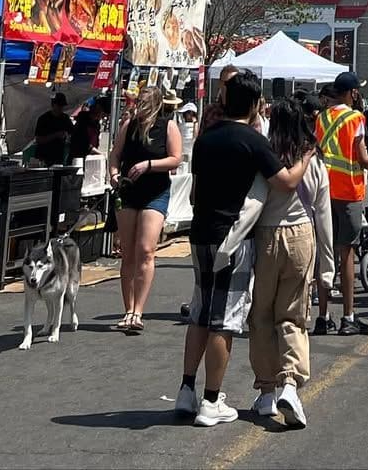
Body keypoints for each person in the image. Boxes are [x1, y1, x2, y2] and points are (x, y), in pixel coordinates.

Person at [176, 70, 312, 428]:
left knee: (200, 311)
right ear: (254, 104)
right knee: (224, 320)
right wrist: (306, 157)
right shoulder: (253, 141)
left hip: (200, 232)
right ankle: (211, 401)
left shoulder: (205, 139)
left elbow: (194, 193)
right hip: (232, 238)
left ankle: (186, 390)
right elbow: (286, 183)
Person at [249, 98, 333, 429]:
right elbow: (324, 215)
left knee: (261, 315)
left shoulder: (266, 156)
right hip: (302, 236)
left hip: (266, 235)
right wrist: (327, 266)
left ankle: (266, 391)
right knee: (293, 315)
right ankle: (290, 384)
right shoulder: (313, 161)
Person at [313, 72, 368, 336]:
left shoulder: (321, 118)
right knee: (347, 254)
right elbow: (361, 157)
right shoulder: (356, 118)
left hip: (323, 192)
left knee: (325, 254)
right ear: (352, 93)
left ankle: (322, 317)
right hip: (348, 192)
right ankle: (348, 317)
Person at [109, 86, 182, 333]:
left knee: (146, 249)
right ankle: (128, 309)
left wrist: (149, 165)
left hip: (155, 192)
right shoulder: (128, 125)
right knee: (128, 252)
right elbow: (115, 154)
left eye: (145, 103)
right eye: (139, 101)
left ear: (156, 105)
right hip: (129, 192)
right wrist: (114, 174)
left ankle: (138, 310)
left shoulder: (167, 126)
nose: (140, 107)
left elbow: (176, 159)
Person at [34, 91, 72, 166]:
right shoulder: (43, 119)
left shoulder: (65, 118)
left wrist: (67, 137)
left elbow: (72, 133)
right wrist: (56, 135)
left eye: (62, 106)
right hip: (43, 157)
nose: (61, 108)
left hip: (58, 157)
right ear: (53, 105)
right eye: (59, 105)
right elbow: (38, 139)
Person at [70, 96, 109, 162]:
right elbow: (84, 144)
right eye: (103, 114)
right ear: (97, 109)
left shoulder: (96, 124)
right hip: (78, 158)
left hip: (90, 158)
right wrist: (101, 154)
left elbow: (95, 143)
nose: (103, 116)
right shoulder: (82, 122)